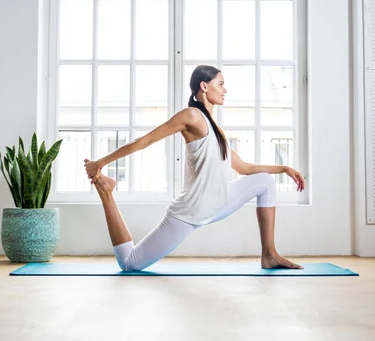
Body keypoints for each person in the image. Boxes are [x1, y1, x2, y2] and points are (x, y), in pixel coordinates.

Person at [84, 64, 305, 272]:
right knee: (129, 263)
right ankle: (106, 191)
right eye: (220, 84)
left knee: (265, 181)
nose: (224, 89)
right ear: (204, 86)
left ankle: (269, 254)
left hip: (218, 201)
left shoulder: (215, 128)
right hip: (192, 210)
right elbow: (145, 141)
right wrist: (101, 163)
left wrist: (284, 168)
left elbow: (244, 168)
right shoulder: (191, 116)